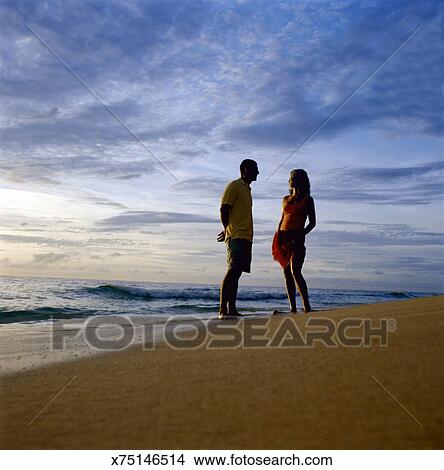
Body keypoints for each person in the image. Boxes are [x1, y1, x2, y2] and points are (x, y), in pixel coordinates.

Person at [217, 159, 259, 319]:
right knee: (232, 271)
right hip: (236, 235)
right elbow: (224, 208)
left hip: (246, 237)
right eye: (255, 169)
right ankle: (222, 310)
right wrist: (227, 229)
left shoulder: (247, 189)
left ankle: (232, 309)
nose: (258, 172)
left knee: (237, 273)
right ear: (246, 169)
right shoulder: (234, 185)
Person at [273, 169, 316, 313]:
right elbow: (282, 218)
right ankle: (292, 307)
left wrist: (300, 235)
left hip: (297, 237)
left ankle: (307, 307)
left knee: (295, 270)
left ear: (301, 180)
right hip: (282, 237)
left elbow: (312, 222)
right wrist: (278, 236)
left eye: (294, 177)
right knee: (286, 272)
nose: (290, 179)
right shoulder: (285, 199)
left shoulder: (307, 200)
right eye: (290, 177)